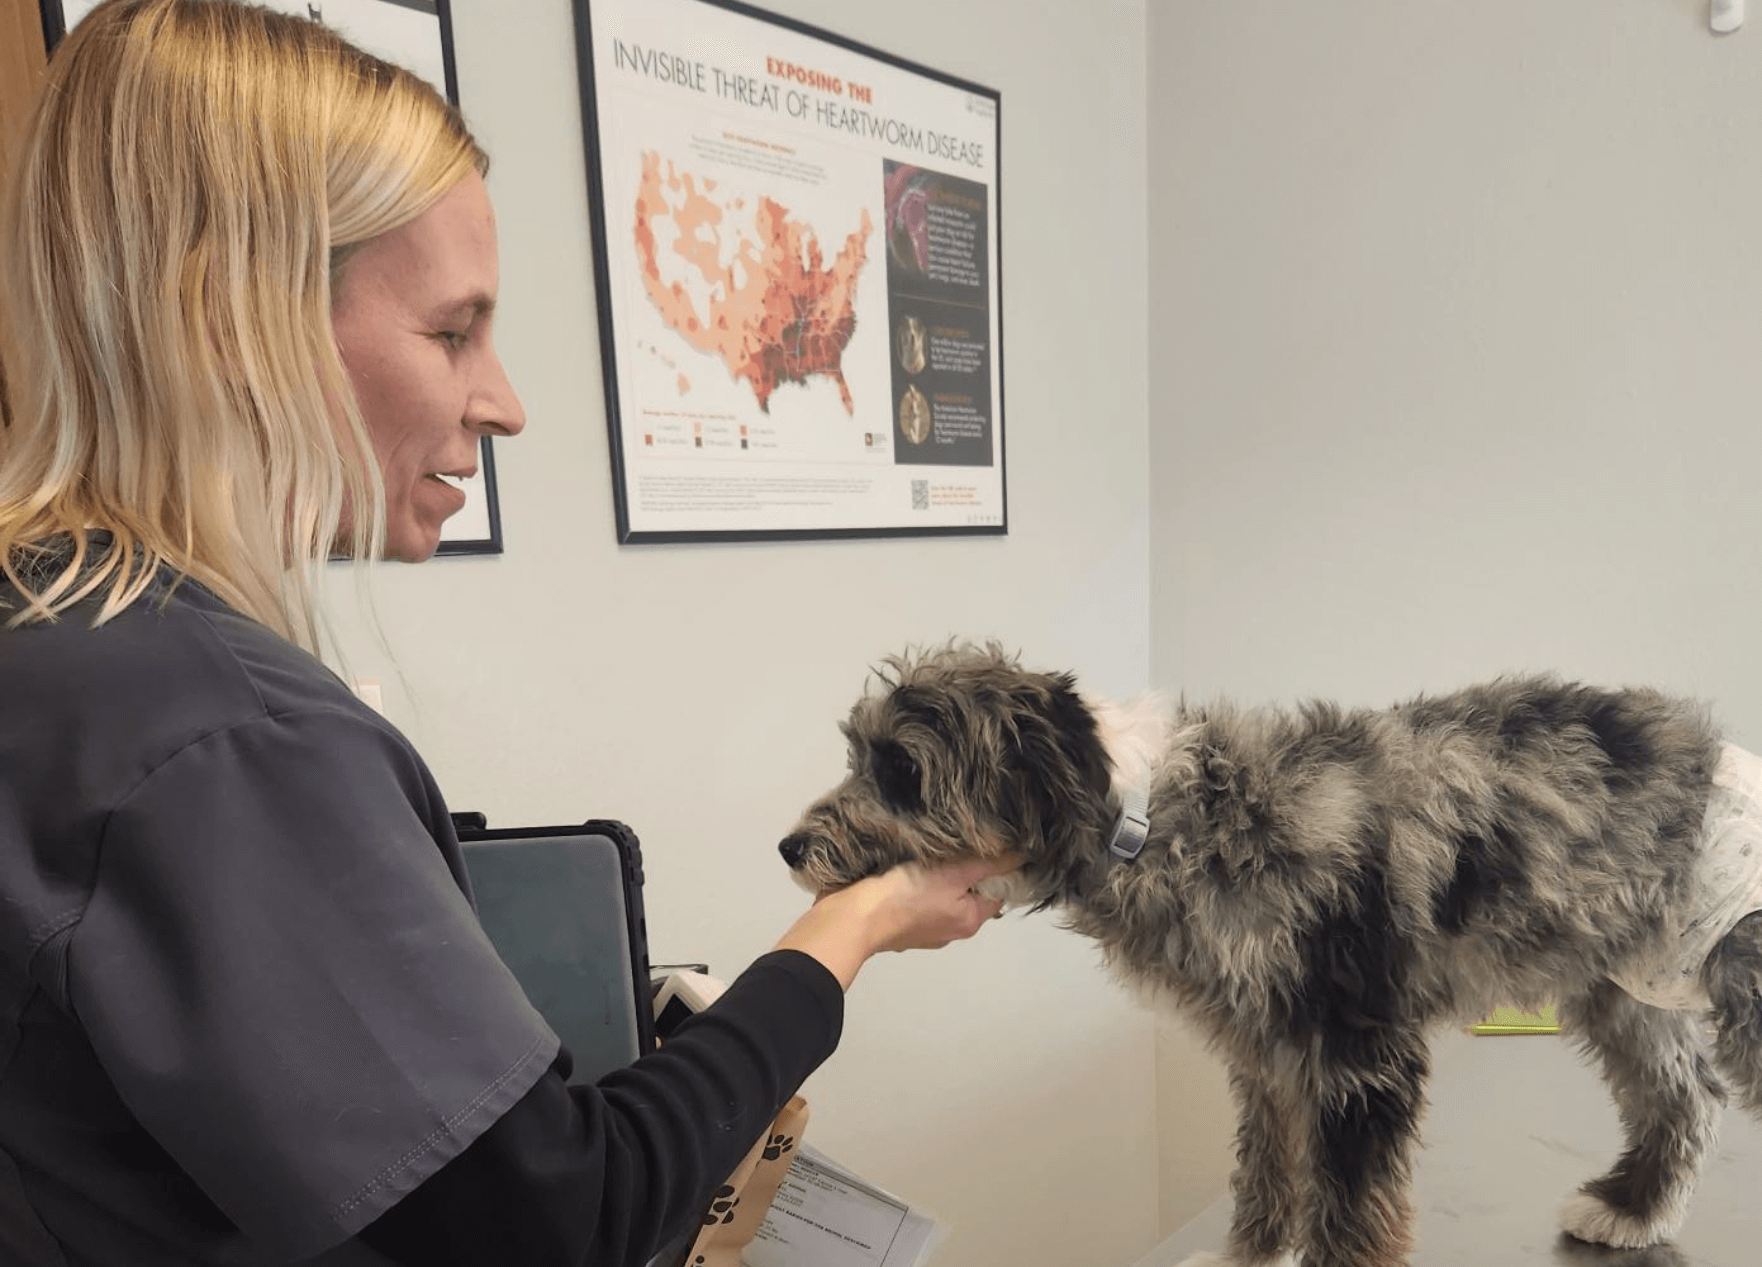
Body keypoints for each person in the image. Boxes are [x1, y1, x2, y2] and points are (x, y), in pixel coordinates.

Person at [0, 3, 1014, 1264]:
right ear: (230, 320)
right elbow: (559, 1219)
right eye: (449, 330)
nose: (507, 402)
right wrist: (847, 929)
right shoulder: (223, 735)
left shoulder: (52, 644)